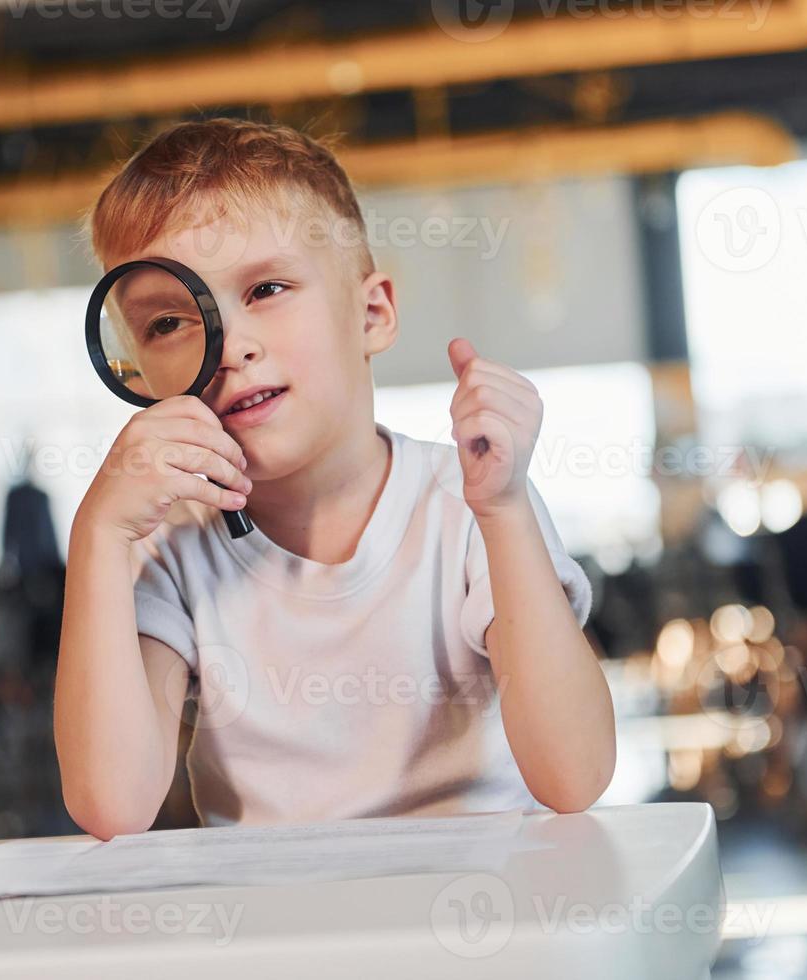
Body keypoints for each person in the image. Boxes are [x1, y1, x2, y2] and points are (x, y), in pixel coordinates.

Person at [54, 118, 614, 839]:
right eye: (169, 324)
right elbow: (112, 805)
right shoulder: (170, 550)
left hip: (483, 920)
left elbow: (576, 776)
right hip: (283, 938)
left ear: (372, 313)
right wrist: (98, 533)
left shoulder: (466, 505)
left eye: (267, 288)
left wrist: (504, 510)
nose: (230, 348)